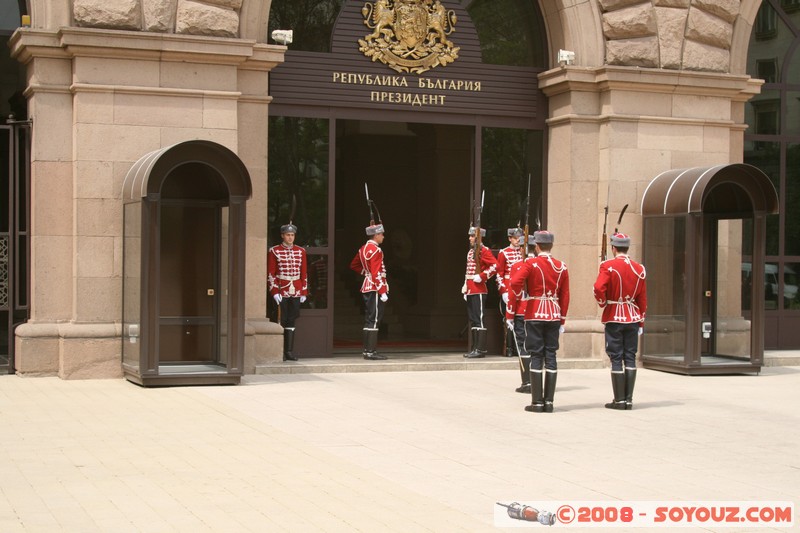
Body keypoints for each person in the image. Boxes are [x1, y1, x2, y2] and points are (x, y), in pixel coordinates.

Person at [507, 230, 569, 412]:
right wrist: (562, 318)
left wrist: (522, 292)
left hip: (534, 312)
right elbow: (565, 295)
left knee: (536, 355)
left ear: (537, 246)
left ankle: (537, 402)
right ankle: (549, 402)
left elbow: (514, 282)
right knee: (551, 356)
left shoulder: (530, 263)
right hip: (553, 314)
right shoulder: (561, 266)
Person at [593, 232, 647, 410]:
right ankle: (629, 399)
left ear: (613, 248)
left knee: (616, 357)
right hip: (632, 315)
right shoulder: (639, 268)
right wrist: (641, 321)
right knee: (630, 356)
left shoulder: (607, 266)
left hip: (614, 314)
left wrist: (603, 302)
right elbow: (642, 298)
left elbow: (599, 288)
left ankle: (619, 400)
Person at [268, 223, 308, 361]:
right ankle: (279, 352)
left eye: (292, 235)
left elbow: (304, 273)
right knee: (281, 320)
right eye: (288, 235)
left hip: (296, 289)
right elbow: (271, 273)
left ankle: (289, 351)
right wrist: (274, 291)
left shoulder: (301, 251)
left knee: (292, 320)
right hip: (281, 288)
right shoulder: (274, 251)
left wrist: (303, 291)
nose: (290, 238)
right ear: (282, 236)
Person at [350, 223, 389, 360]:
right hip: (375, 287)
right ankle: (371, 352)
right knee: (375, 319)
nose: (383, 237)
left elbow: (354, 265)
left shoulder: (363, 249)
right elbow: (376, 272)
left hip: (367, 286)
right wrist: (382, 290)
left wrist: (365, 273)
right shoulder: (376, 250)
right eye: (381, 234)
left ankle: (367, 350)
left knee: (369, 319)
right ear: (376, 235)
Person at [463, 226, 497, 358]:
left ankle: (480, 349)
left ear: (479, 238)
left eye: (472, 236)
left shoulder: (484, 251)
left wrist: (482, 276)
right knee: (473, 319)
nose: (470, 238)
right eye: (470, 236)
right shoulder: (471, 252)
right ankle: (474, 348)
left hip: (479, 289)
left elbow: (495, 266)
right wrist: (466, 288)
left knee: (479, 319)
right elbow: (468, 271)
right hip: (471, 289)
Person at [496, 227, 525, 358]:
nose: (517, 240)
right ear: (509, 238)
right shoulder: (504, 253)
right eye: (515, 238)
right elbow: (499, 274)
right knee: (508, 320)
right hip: (509, 289)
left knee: (521, 319)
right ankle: (509, 348)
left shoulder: (524, 252)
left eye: (519, 237)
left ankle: (521, 347)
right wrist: (503, 291)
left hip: (522, 291)